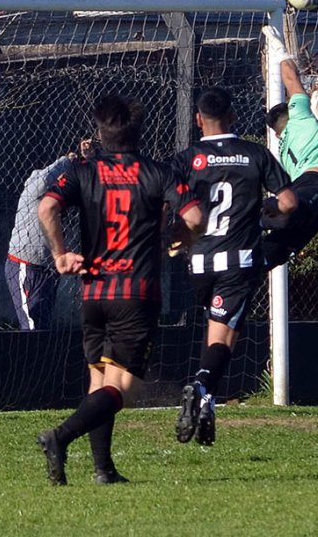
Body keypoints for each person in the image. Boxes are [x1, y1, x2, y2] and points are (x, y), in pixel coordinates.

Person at [35, 95, 203, 486]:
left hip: (93, 293)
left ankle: (103, 469)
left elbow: (46, 207)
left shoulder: (82, 171)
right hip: (136, 294)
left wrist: (61, 254)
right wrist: (182, 235)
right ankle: (59, 437)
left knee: (99, 381)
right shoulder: (158, 172)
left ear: (100, 132)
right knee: (122, 390)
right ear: (138, 132)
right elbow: (195, 216)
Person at [171, 87, 297, 446]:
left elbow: (169, 200)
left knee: (214, 332)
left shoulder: (186, 158)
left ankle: (207, 405)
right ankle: (200, 387)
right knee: (225, 337)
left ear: (198, 120)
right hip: (238, 262)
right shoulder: (255, 154)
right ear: (234, 117)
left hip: (198, 263)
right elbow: (288, 202)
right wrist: (267, 211)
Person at [260, 25, 318, 269]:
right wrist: (280, 51)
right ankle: (250, 216)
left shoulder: (286, 150)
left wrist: (316, 124)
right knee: (288, 216)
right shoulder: (300, 116)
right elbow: (290, 76)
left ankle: (242, 226)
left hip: (317, 200)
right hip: (317, 189)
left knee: (266, 258)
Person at [5, 140, 93, 331]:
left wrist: (88, 160)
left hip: (47, 269)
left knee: (43, 325)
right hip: (25, 265)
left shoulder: (61, 197)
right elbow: (44, 180)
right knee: (32, 326)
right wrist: (67, 161)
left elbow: (90, 185)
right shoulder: (36, 185)